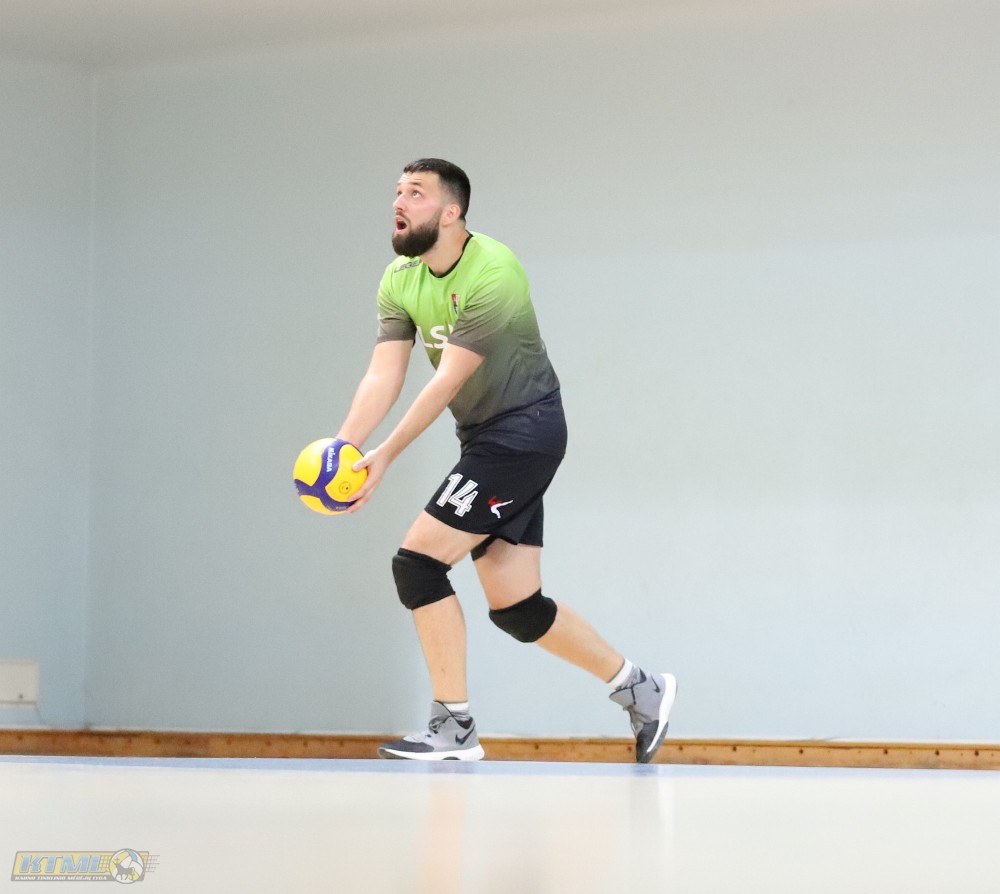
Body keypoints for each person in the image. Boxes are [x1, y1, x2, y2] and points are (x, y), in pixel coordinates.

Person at [336, 158, 676, 762]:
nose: (399, 202)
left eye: (415, 193)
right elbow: (383, 373)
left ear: (451, 212)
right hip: (484, 438)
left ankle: (453, 727)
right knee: (518, 609)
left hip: (523, 433)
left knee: (418, 565)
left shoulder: (494, 270)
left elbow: (446, 381)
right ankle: (640, 689)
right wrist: (344, 448)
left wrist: (384, 456)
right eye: (397, 191)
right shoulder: (400, 278)